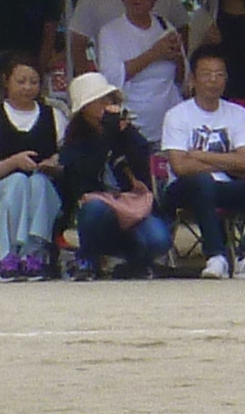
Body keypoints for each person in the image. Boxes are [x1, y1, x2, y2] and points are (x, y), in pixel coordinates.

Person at [152, 46, 245, 280]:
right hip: (184, 188)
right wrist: (226, 161)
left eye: (220, 74)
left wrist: (200, 155)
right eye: (207, 74)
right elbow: (180, 167)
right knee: (201, 181)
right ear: (193, 79)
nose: (213, 81)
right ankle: (215, 256)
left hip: (224, 185)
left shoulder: (238, 113)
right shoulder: (177, 114)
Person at [59, 71, 169, 277]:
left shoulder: (123, 130)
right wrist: (106, 137)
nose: (107, 103)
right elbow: (84, 175)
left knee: (158, 239)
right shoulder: (75, 140)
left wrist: (127, 134)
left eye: (108, 98)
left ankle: (131, 262)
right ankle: (88, 259)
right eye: (100, 99)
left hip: (130, 205)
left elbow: (143, 164)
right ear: (85, 107)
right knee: (95, 210)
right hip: (99, 208)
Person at [0, 56, 67, 279]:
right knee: (18, 182)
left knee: (37, 183)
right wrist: (14, 162)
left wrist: (53, 163)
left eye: (33, 82)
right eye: (21, 81)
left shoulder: (54, 116)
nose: (27, 87)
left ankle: (33, 253)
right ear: (6, 81)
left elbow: (66, 157)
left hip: (40, 184)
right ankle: (9, 254)